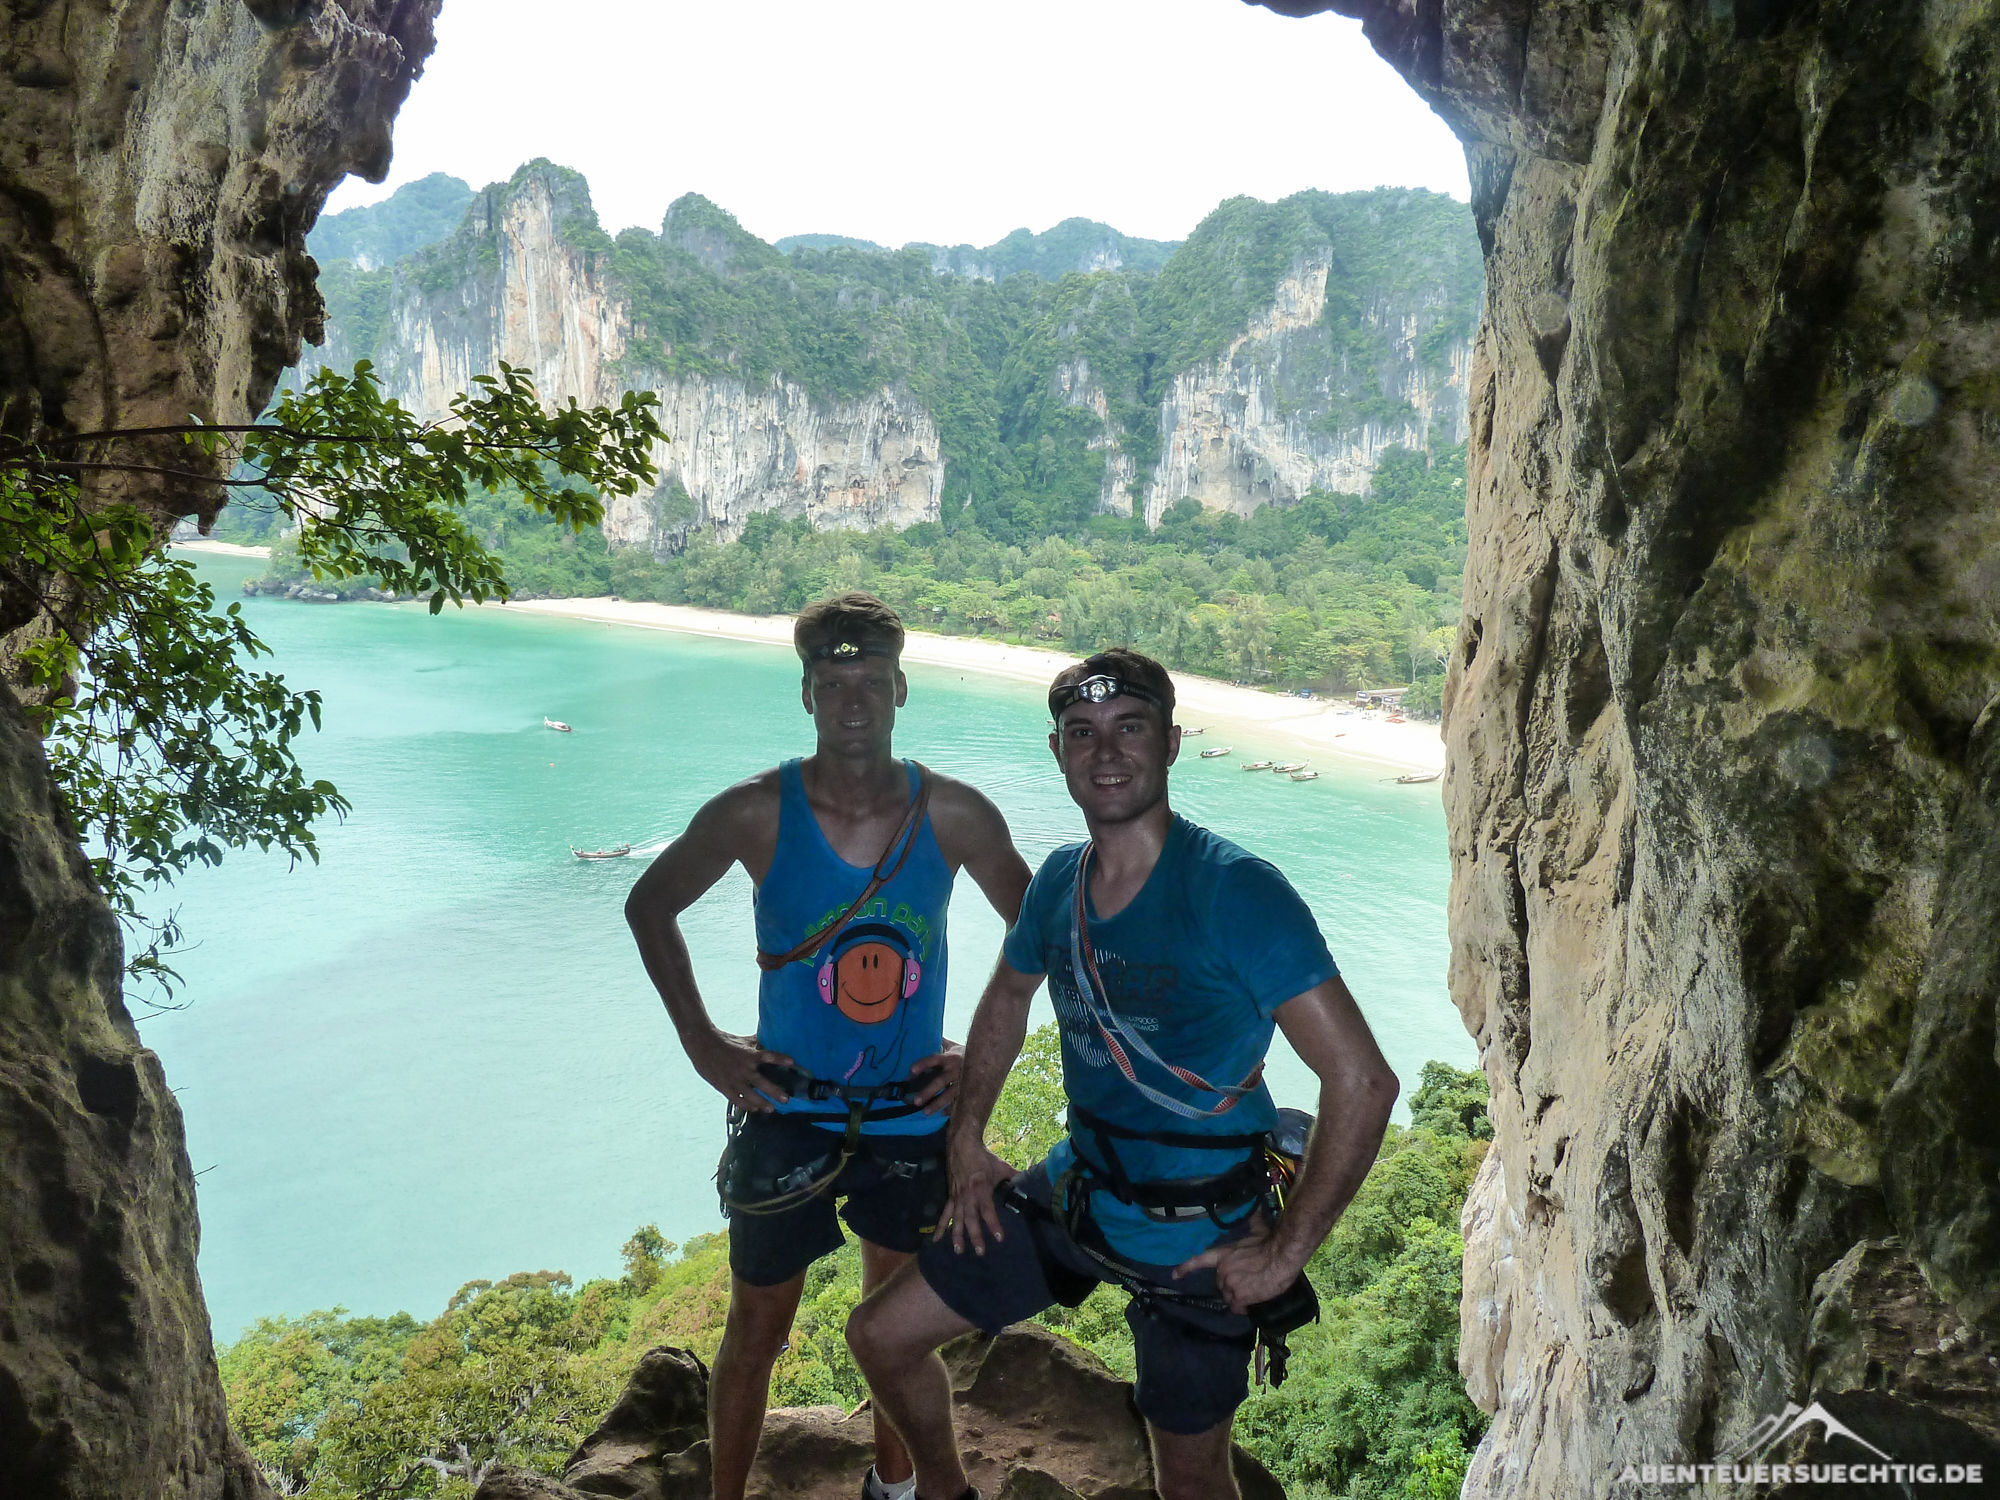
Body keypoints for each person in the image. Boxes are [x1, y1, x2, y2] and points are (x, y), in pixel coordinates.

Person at [845, 648, 1400, 1500]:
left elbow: (1362, 1082)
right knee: (881, 1335)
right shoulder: (1059, 882)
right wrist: (969, 1143)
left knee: (1191, 1481)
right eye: (1082, 733)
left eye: (1128, 729)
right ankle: (945, 1492)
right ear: (1060, 753)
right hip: (1081, 1192)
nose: (1105, 753)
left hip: (1202, 1232)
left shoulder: (1236, 892)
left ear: (1172, 743)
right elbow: (1005, 1000)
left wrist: (1287, 1254)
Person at [626, 592, 1031, 1500]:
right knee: (757, 1329)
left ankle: (891, 1490)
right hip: (787, 1111)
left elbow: (1038, 933)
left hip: (905, 1120)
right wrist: (703, 1044)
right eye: (833, 682)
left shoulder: (956, 815)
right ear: (807, 694)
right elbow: (649, 906)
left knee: (892, 1326)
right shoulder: (755, 812)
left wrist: (973, 1054)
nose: (854, 701)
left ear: (901, 690)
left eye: (872, 683)